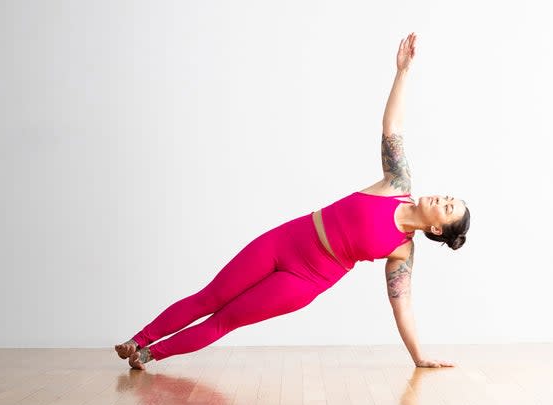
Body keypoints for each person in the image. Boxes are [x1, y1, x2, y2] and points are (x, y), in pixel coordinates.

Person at [115, 32, 470, 370]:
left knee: (226, 320)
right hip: (286, 240)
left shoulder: (402, 252)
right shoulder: (398, 183)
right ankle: (138, 340)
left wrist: (419, 356)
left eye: (448, 206)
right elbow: (392, 126)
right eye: (449, 196)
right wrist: (403, 72)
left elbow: (402, 308)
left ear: (437, 227)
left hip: (305, 280)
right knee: (210, 297)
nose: (443, 197)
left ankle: (149, 355)